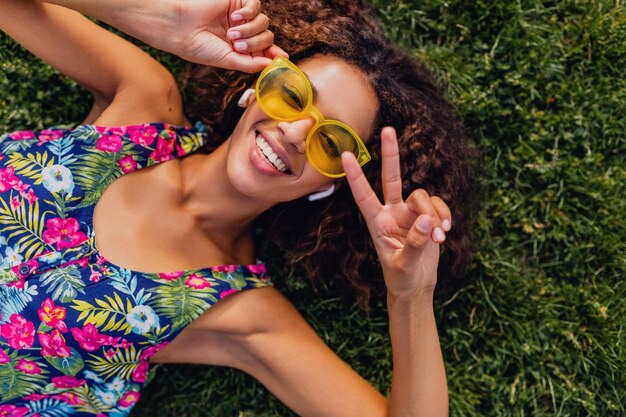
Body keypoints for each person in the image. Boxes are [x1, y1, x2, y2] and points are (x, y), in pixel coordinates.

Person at [0, 0, 475, 416]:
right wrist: (154, 16)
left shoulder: (236, 308)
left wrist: (410, 295)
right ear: (257, 85)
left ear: (338, 184)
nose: (293, 133)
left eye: (330, 142)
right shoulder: (144, 99)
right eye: (292, 94)